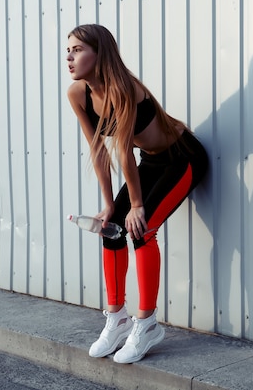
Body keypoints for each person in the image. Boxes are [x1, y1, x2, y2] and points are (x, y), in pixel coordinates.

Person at [65, 24, 208, 363]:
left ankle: (147, 324)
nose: (69, 57)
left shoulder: (124, 88)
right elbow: (99, 150)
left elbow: (124, 151)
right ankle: (117, 318)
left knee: (141, 229)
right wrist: (109, 206)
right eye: (67, 50)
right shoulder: (77, 93)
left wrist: (138, 205)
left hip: (181, 157)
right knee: (111, 226)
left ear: (100, 53)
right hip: (151, 161)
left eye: (78, 50)